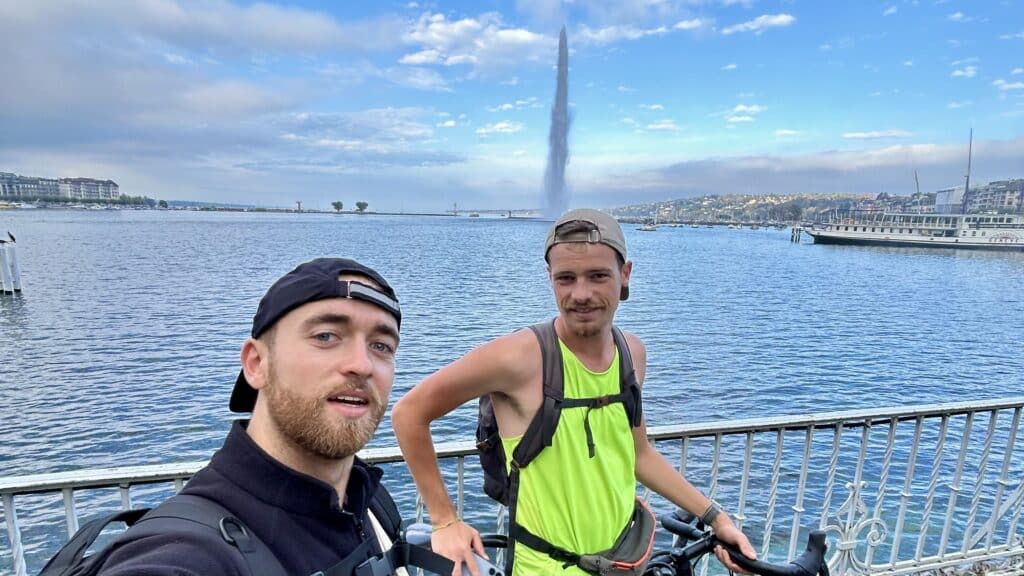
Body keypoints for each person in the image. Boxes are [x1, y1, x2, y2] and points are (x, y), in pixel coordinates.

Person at [392, 209, 757, 576]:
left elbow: (638, 453)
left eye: (598, 276)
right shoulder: (519, 357)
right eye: (566, 278)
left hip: (622, 562)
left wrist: (716, 517)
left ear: (625, 274)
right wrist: (444, 520)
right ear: (549, 278)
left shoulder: (632, 353)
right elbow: (409, 412)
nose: (581, 294)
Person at [97, 258, 405, 575]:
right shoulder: (187, 556)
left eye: (381, 345)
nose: (362, 364)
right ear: (257, 364)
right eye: (325, 336)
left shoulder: (368, 501)